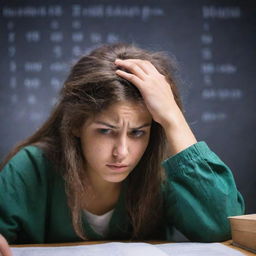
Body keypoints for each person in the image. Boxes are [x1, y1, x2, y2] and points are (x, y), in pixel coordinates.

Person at [0, 43, 244, 248]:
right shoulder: (30, 168)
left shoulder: (163, 171)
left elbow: (223, 229)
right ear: (75, 125)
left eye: (138, 133)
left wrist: (173, 117)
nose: (122, 152)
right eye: (106, 131)